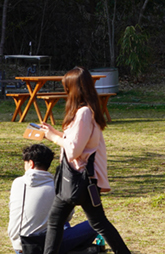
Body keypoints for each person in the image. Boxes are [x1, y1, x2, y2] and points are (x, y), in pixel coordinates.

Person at [38, 67, 131, 254]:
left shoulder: (84, 114)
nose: (65, 92)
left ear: (74, 89)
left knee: (63, 221)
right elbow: (75, 140)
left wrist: (52, 137)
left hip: (79, 179)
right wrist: (54, 132)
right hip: (82, 180)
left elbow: (73, 150)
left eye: (66, 87)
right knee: (93, 222)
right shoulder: (87, 112)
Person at [8, 143, 97, 254]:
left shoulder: (17, 182)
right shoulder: (58, 186)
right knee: (95, 224)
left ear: (30, 164)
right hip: (43, 244)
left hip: (18, 245)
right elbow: (67, 217)